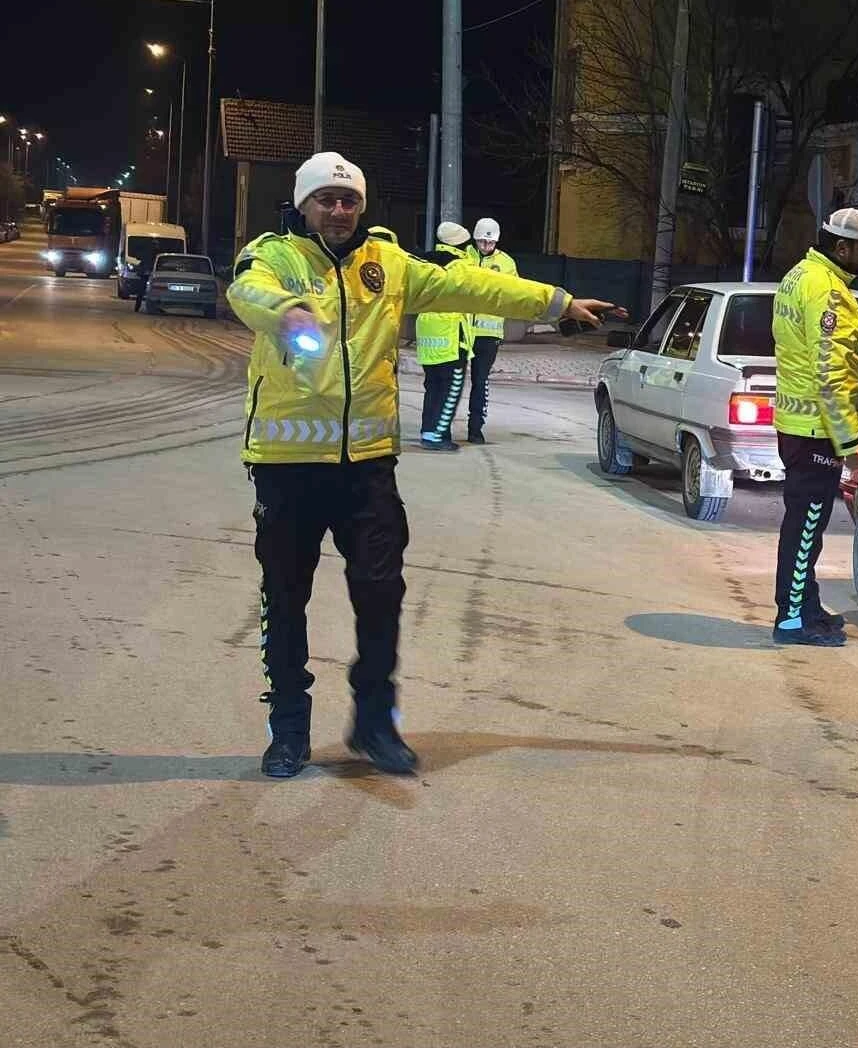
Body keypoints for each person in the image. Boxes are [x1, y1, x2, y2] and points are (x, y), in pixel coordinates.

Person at [228, 151, 622, 778]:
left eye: (349, 199)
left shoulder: (387, 262)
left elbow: (472, 284)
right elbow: (246, 290)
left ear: (362, 205)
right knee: (285, 597)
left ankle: (376, 722)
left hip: (367, 468)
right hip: (286, 464)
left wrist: (558, 301)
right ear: (303, 205)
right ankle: (289, 729)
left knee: (382, 595)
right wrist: (286, 313)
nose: (338, 210)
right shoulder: (274, 256)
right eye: (326, 199)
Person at [770, 208, 858, 647]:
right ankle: (792, 619)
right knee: (806, 525)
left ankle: (806, 604)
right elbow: (830, 373)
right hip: (816, 430)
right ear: (841, 246)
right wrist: (850, 443)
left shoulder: (800, 275)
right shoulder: (826, 291)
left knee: (805, 525)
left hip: (799, 423)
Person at [415, 221, 474, 451]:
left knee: (432, 386)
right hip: (450, 335)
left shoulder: (426, 262)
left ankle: (427, 431)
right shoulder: (460, 266)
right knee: (451, 387)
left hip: (428, 335)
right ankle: (438, 436)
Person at [464, 216, 518, 444]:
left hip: (488, 335)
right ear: (475, 239)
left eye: (490, 243)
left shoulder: (507, 263)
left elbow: (514, 292)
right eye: (481, 242)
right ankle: (441, 427)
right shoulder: (464, 256)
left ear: (496, 241)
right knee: (453, 381)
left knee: (480, 381)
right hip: (462, 330)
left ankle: (475, 429)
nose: (485, 246)